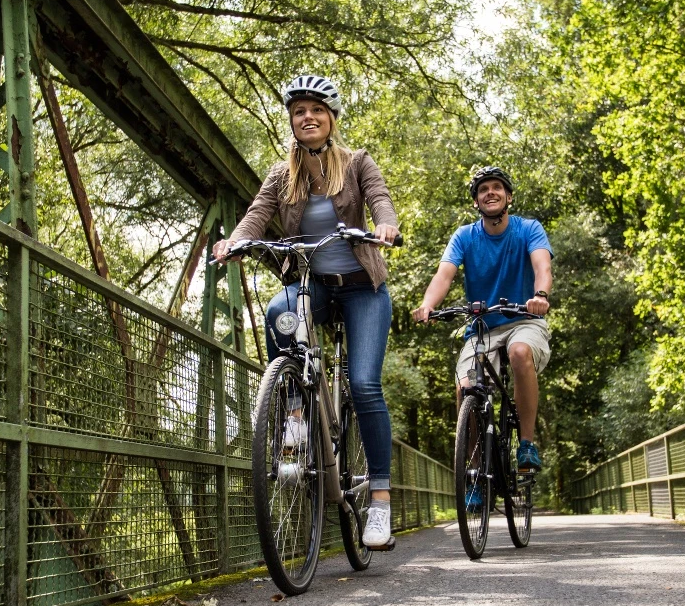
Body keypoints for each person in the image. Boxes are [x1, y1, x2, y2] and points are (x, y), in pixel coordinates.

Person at [213, 74, 401, 549]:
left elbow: (380, 199)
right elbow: (258, 213)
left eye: (317, 110)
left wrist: (386, 225)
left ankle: (379, 499)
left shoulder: (357, 163)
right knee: (281, 310)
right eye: (299, 111)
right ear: (292, 121)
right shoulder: (283, 174)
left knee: (362, 383)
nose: (308, 117)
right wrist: (235, 241)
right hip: (312, 285)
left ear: (331, 118)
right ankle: (296, 411)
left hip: (362, 288)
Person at [411, 166, 552, 473]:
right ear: (476, 201)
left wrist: (540, 295)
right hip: (483, 326)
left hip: (524, 319)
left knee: (519, 352)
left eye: (497, 188)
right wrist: (427, 305)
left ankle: (526, 444)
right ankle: (475, 467)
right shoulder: (465, 236)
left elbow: (542, 266)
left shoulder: (529, 229)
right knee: (465, 387)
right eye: (483, 189)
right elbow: (444, 274)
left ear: (509, 197)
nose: (490, 192)